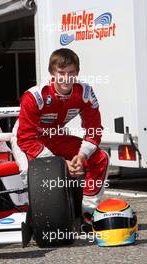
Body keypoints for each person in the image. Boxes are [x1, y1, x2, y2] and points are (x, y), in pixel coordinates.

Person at [15, 48, 109, 223]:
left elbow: (94, 129)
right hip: (26, 138)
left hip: (55, 136)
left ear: (77, 73)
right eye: (61, 73)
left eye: (71, 73)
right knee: (30, 171)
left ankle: (88, 212)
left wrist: (81, 156)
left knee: (100, 157)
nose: (66, 78)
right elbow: (25, 138)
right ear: (52, 72)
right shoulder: (35, 95)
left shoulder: (85, 93)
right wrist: (60, 163)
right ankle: (35, 217)